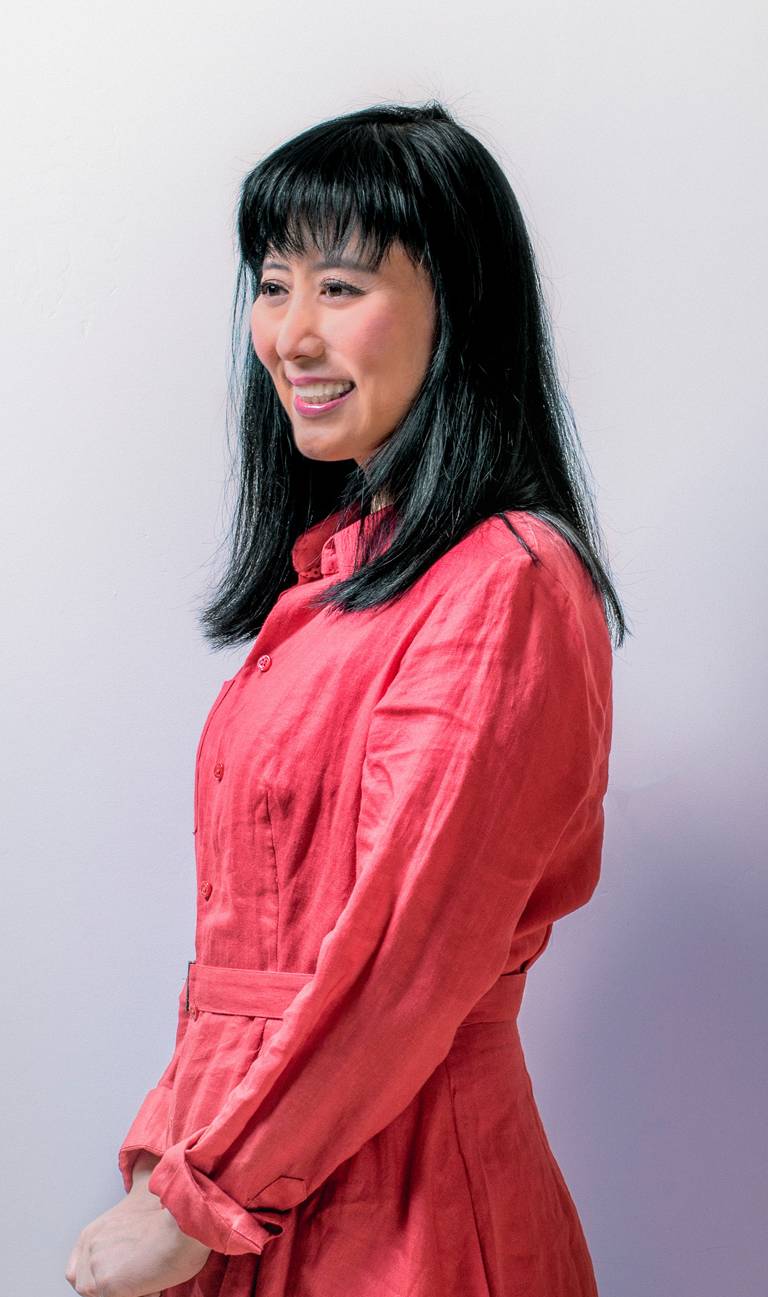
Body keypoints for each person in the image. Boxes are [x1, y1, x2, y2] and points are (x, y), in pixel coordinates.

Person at [66, 100, 627, 1297]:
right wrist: (171, 1152)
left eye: (340, 286)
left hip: (408, 1209)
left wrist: (202, 1194)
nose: (291, 334)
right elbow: (243, 950)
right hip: (255, 1183)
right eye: (274, 286)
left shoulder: (508, 583)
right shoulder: (338, 581)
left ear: (458, 305)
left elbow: (403, 961)